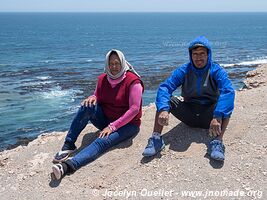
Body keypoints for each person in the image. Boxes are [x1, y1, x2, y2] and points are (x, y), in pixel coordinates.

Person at [52, 49, 144, 180]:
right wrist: (92, 97)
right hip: (107, 120)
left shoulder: (133, 82)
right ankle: (69, 144)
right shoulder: (103, 78)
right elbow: (97, 95)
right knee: (86, 106)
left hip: (128, 124)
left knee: (102, 141)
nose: (113, 67)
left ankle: (67, 166)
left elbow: (134, 109)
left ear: (123, 63)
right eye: (111, 63)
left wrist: (112, 127)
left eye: (117, 63)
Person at [142, 36, 235, 161]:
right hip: (189, 114)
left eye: (202, 53)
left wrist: (218, 115)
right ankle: (156, 138)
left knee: (225, 104)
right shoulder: (184, 70)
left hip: (210, 116)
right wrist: (164, 109)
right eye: (195, 54)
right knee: (167, 99)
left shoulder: (217, 71)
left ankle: (217, 142)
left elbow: (228, 91)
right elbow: (165, 87)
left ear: (208, 54)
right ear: (190, 55)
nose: (198, 57)